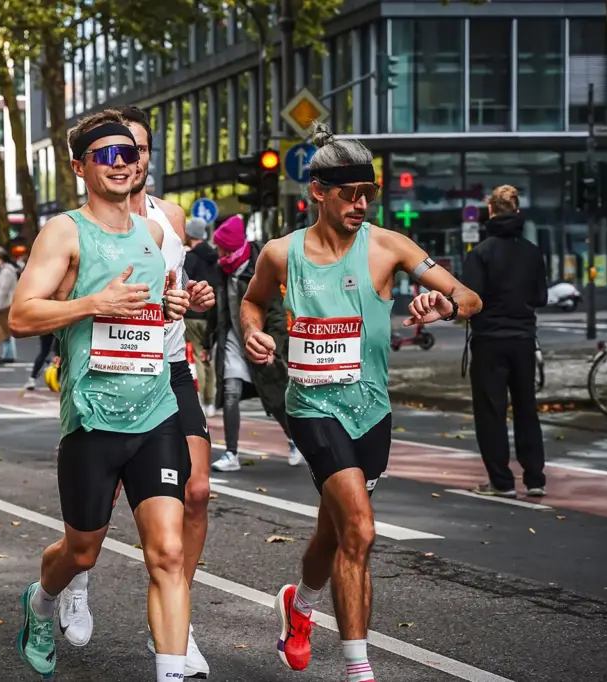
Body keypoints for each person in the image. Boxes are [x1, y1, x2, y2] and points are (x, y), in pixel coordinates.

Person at [239, 124, 482, 681]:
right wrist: (255, 332)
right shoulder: (282, 255)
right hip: (311, 407)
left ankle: (299, 605)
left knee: (339, 530)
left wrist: (441, 308)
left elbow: (469, 298)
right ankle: (358, 668)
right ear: (318, 193)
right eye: (349, 194)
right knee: (363, 531)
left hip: (371, 409)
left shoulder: (389, 246)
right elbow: (251, 303)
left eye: (368, 193)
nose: (361, 204)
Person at [8, 109, 206, 682]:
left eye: (130, 154)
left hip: (157, 409)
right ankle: (41, 601)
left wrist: (171, 308)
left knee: (167, 553)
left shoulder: (151, 233)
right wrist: (94, 304)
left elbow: (150, 307)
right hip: (94, 416)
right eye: (107, 155)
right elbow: (21, 315)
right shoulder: (65, 231)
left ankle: (169, 672)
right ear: (80, 166)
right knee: (82, 550)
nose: (122, 164)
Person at [462, 185, 548, 498]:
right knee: (527, 408)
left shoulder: (481, 253)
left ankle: (501, 481)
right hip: (524, 339)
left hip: (489, 342)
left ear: (490, 212)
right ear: (517, 211)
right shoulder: (532, 251)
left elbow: (470, 299)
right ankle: (536, 478)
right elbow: (541, 296)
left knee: (491, 412)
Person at [206, 215, 301, 472]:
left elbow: (278, 313)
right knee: (230, 392)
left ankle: (294, 440)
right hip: (233, 342)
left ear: (234, 246)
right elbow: (216, 312)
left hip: (263, 342)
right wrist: (207, 342)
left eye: (223, 248)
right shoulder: (220, 270)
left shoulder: (260, 267)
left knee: (277, 397)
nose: (219, 252)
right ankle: (231, 453)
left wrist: (276, 347)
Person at [183, 216, 219, 417]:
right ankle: (211, 401)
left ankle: (201, 403)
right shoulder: (215, 257)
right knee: (208, 356)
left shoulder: (190, 259)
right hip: (211, 314)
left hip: (192, 314)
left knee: (196, 355)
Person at [0, 246, 19, 365]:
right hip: (7, 303)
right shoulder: (7, 270)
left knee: (5, 332)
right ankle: (7, 354)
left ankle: (8, 355)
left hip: (5, 304)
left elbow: (3, 289)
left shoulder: (6, 272)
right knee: (6, 333)